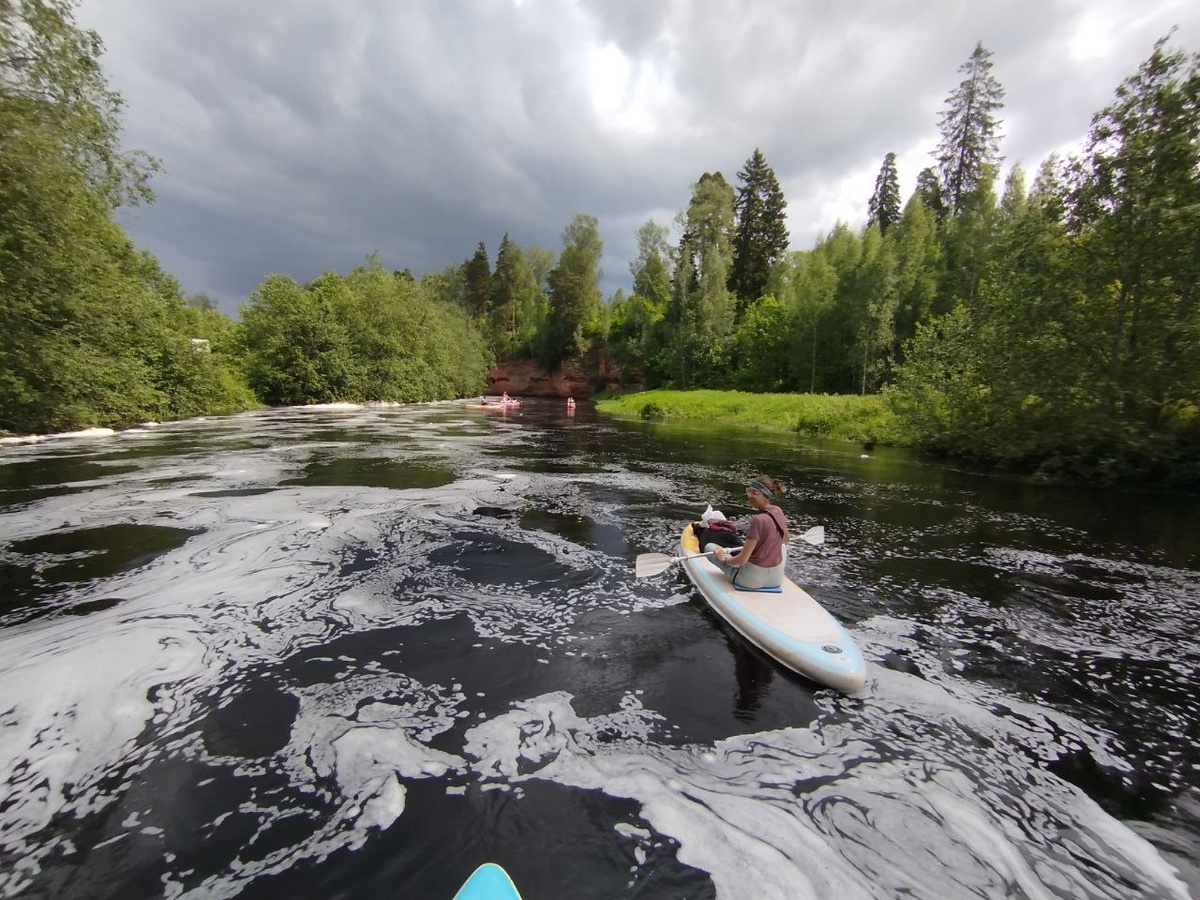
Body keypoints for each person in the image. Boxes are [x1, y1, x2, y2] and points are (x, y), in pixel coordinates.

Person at [706, 475, 789, 589]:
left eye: (755, 493)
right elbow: (785, 539)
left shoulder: (757, 520)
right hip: (776, 581)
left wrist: (724, 559)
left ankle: (736, 572)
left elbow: (742, 560)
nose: (750, 495)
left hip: (750, 581)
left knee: (710, 547)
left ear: (766, 496)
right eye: (749, 491)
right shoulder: (778, 511)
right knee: (782, 547)